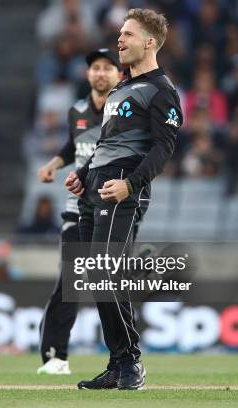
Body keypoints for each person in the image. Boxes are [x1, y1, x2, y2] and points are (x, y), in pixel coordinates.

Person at [65, 9, 182, 390]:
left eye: (128, 34)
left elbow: (164, 147)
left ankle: (131, 360)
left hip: (121, 188)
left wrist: (131, 185)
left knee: (105, 271)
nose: (119, 40)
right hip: (97, 185)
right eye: (120, 33)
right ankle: (118, 363)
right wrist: (82, 175)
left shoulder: (162, 88)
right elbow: (106, 142)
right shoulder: (119, 88)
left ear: (150, 42)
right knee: (96, 278)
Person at [36, 49, 122, 375]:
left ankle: (121, 359)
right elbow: (74, 147)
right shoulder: (77, 111)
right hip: (77, 209)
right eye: (95, 68)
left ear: (119, 74)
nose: (100, 73)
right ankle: (56, 355)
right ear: (88, 75)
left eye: (107, 68)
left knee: (109, 284)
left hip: (113, 210)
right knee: (72, 282)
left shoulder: (124, 111)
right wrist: (54, 164)